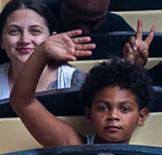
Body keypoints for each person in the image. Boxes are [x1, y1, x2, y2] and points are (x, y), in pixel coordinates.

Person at [11, 54, 152, 148]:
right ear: (89, 114)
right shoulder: (74, 145)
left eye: (124, 109)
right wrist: (42, 52)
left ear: (141, 116)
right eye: (103, 108)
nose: (113, 116)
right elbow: (22, 101)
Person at [0, 0, 82, 108]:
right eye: (14, 31)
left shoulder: (74, 81)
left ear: (52, 39)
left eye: (35, 31)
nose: (24, 40)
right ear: (2, 42)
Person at [48, 0, 138, 60]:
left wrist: (135, 65)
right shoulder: (38, 20)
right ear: (61, 1)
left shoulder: (117, 29)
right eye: (74, 20)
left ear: (106, 8)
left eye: (93, 23)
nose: (83, 30)